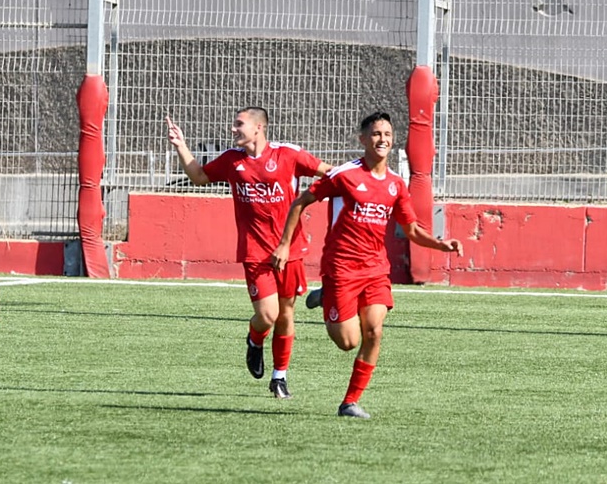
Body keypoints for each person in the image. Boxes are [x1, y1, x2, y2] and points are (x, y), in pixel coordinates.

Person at [271, 111, 463, 418]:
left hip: (375, 269)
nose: (382, 139)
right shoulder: (345, 175)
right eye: (375, 134)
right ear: (363, 139)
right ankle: (327, 296)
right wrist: (284, 245)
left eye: (387, 134)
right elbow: (300, 202)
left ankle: (349, 402)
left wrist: (441, 244)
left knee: (374, 331)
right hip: (341, 268)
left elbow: (412, 229)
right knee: (348, 342)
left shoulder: (396, 184)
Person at [166, 108, 332, 399]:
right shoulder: (232, 160)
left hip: (289, 249)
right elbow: (199, 177)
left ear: (258, 128)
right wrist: (181, 146)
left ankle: (279, 377)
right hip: (255, 251)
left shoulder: (288, 155)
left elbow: (330, 173)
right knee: (268, 315)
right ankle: (255, 339)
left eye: (239, 124)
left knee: (286, 314)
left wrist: (313, 195)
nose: (233, 129)